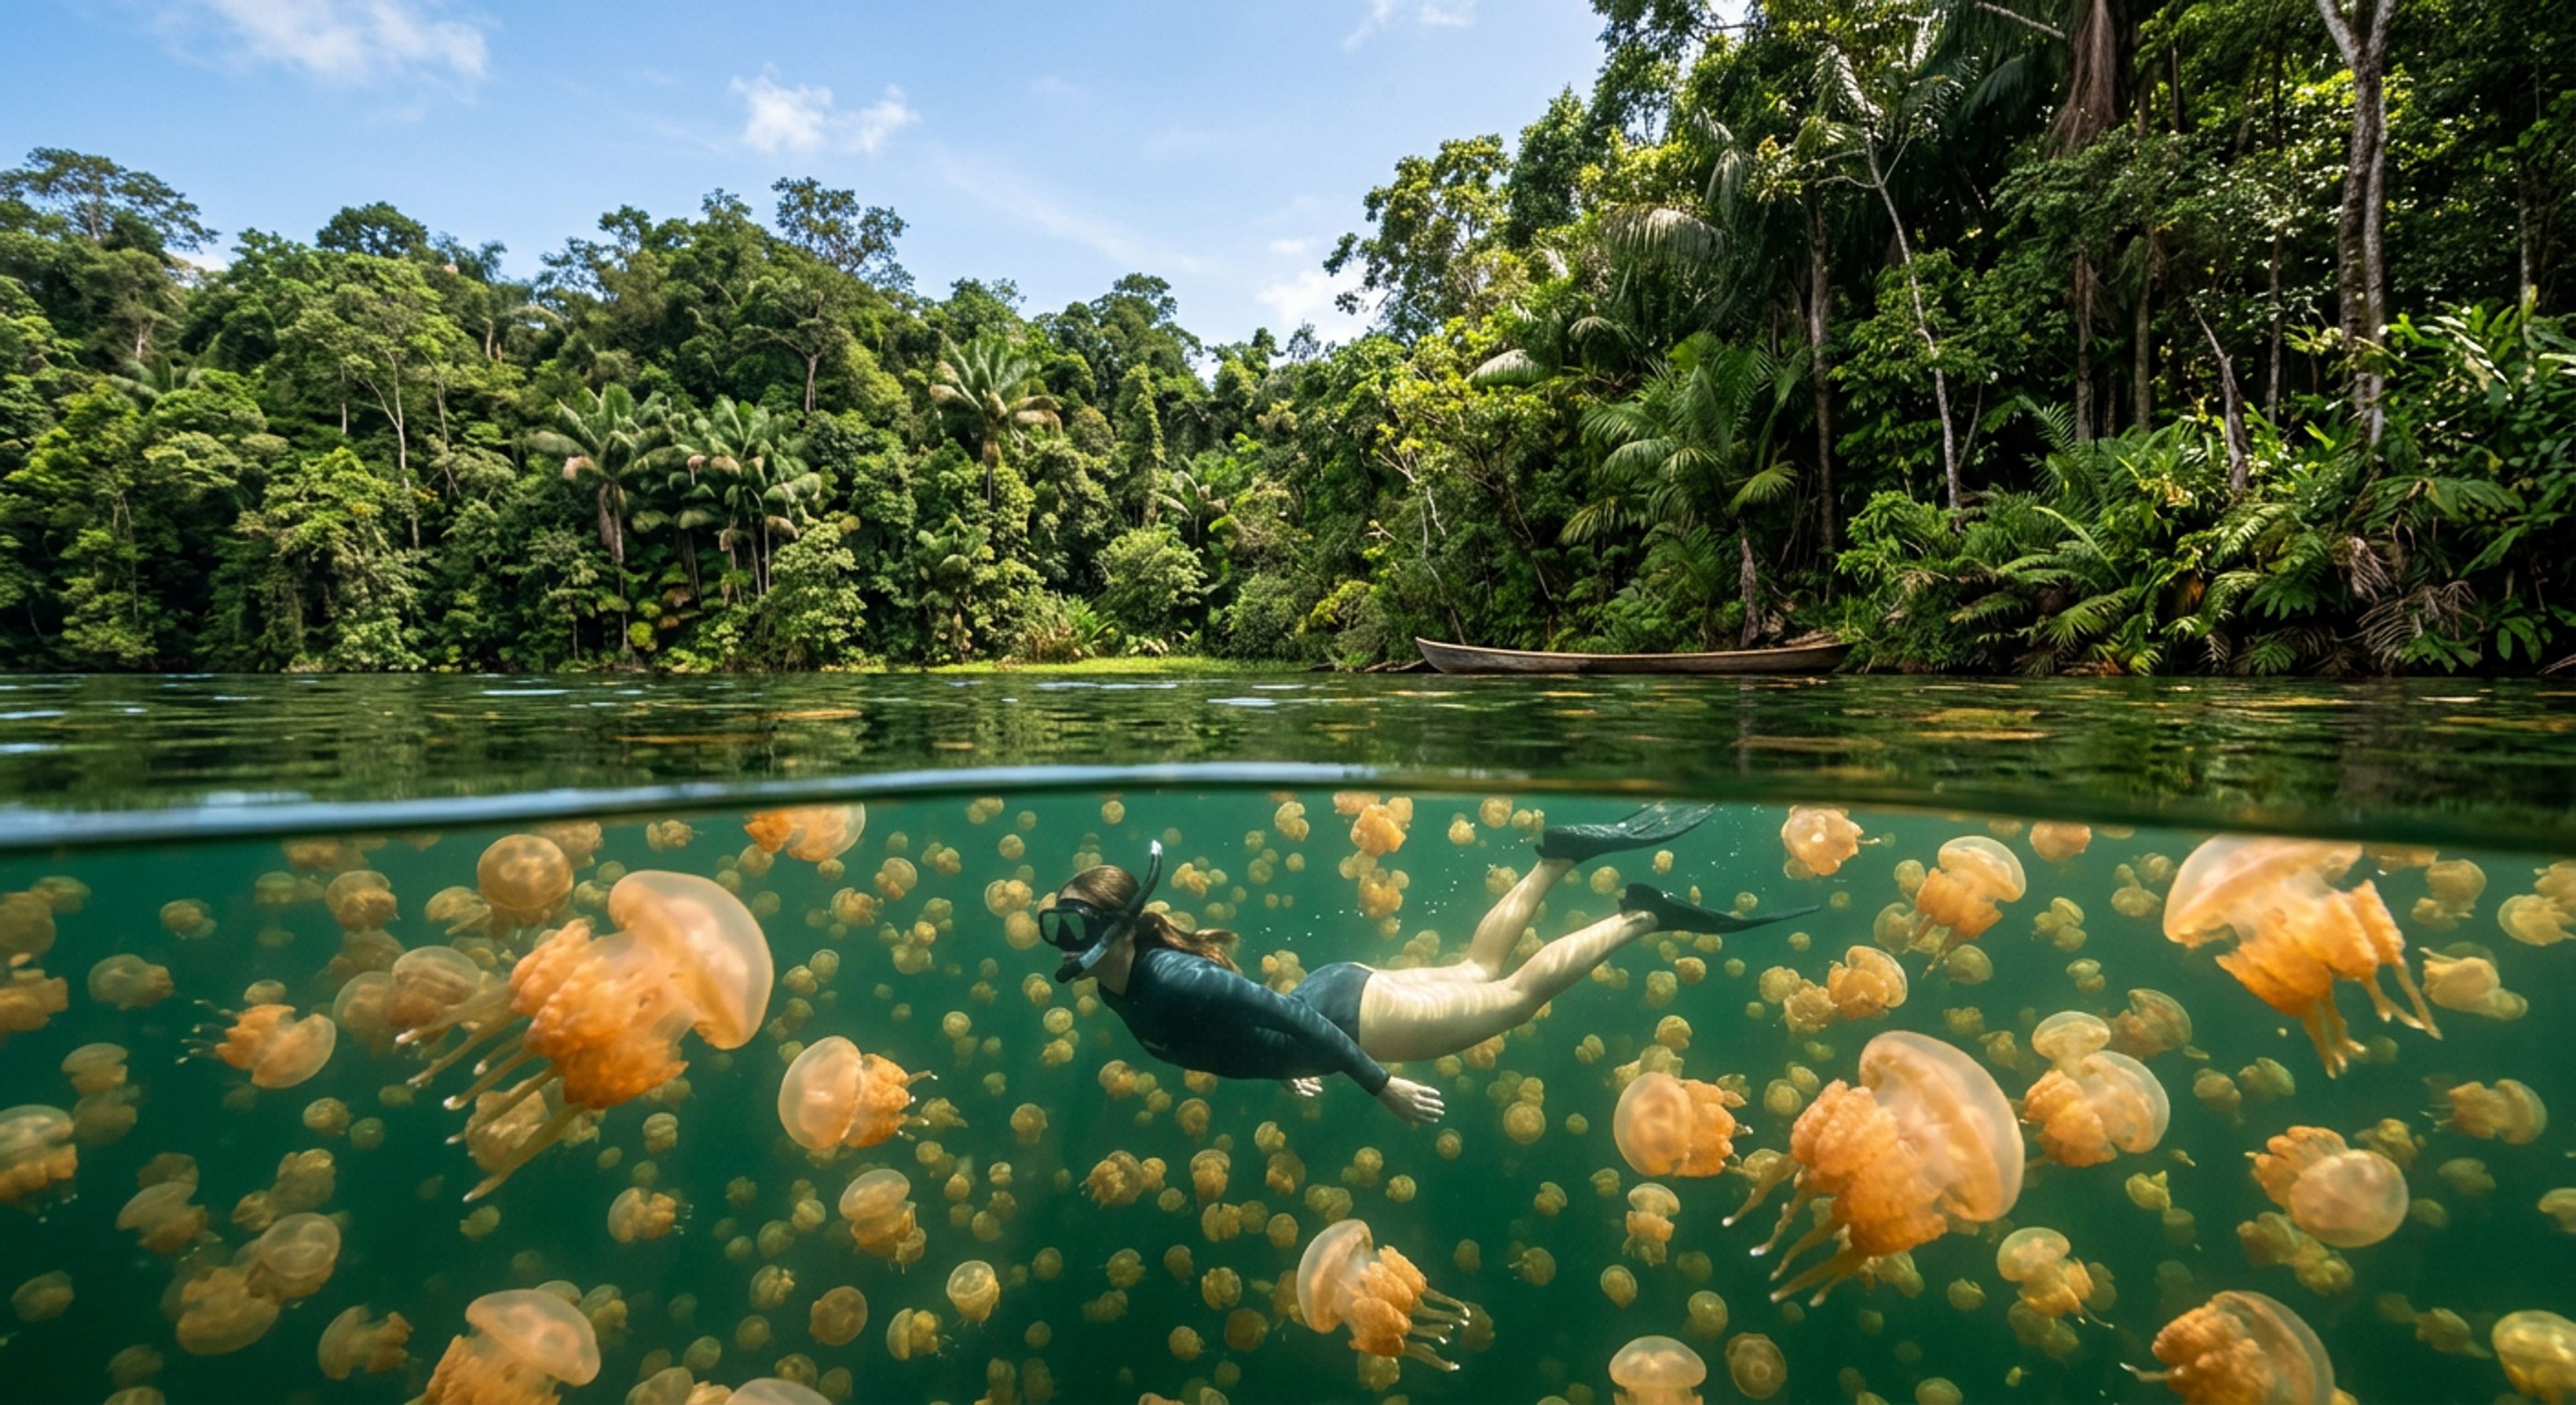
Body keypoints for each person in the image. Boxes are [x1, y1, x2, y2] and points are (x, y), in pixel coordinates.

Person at [1039, 802, 1814, 1123]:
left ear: (1117, 928)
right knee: (1479, 974)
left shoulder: (1167, 975)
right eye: (1056, 927)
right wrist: (1279, 1064)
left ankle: (1641, 916)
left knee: (1510, 996)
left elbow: (1279, 1012)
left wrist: (1379, 1084)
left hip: (1347, 1016)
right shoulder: (1119, 990)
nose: (1064, 943)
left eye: (1072, 924)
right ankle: (1557, 859)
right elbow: (1235, 1024)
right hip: (1336, 997)